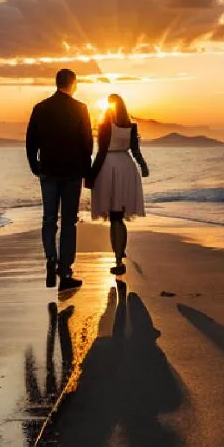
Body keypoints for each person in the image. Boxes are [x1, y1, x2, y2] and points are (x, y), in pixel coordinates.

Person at [26, 69, 93, 291]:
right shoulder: (80, 109)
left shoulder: (40, 108)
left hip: (48, 170)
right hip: (72, 172)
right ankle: (65, 271)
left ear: (57, 83)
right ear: (73, 84)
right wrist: (88, 170)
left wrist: (34, 165)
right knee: (69, 222)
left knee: (48, 219)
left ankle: (50, 259)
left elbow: (31, 140)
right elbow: (87, 143)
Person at [87, 94, 149, 275]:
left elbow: (101, 152)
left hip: (109, 167)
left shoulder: (106, 125)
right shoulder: (131, 126)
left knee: (115, 217)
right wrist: (143, 167)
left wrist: (91, 175)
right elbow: (136, 151)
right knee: (119, 216)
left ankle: (118, 260)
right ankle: (119, 254)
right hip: (126, 166)